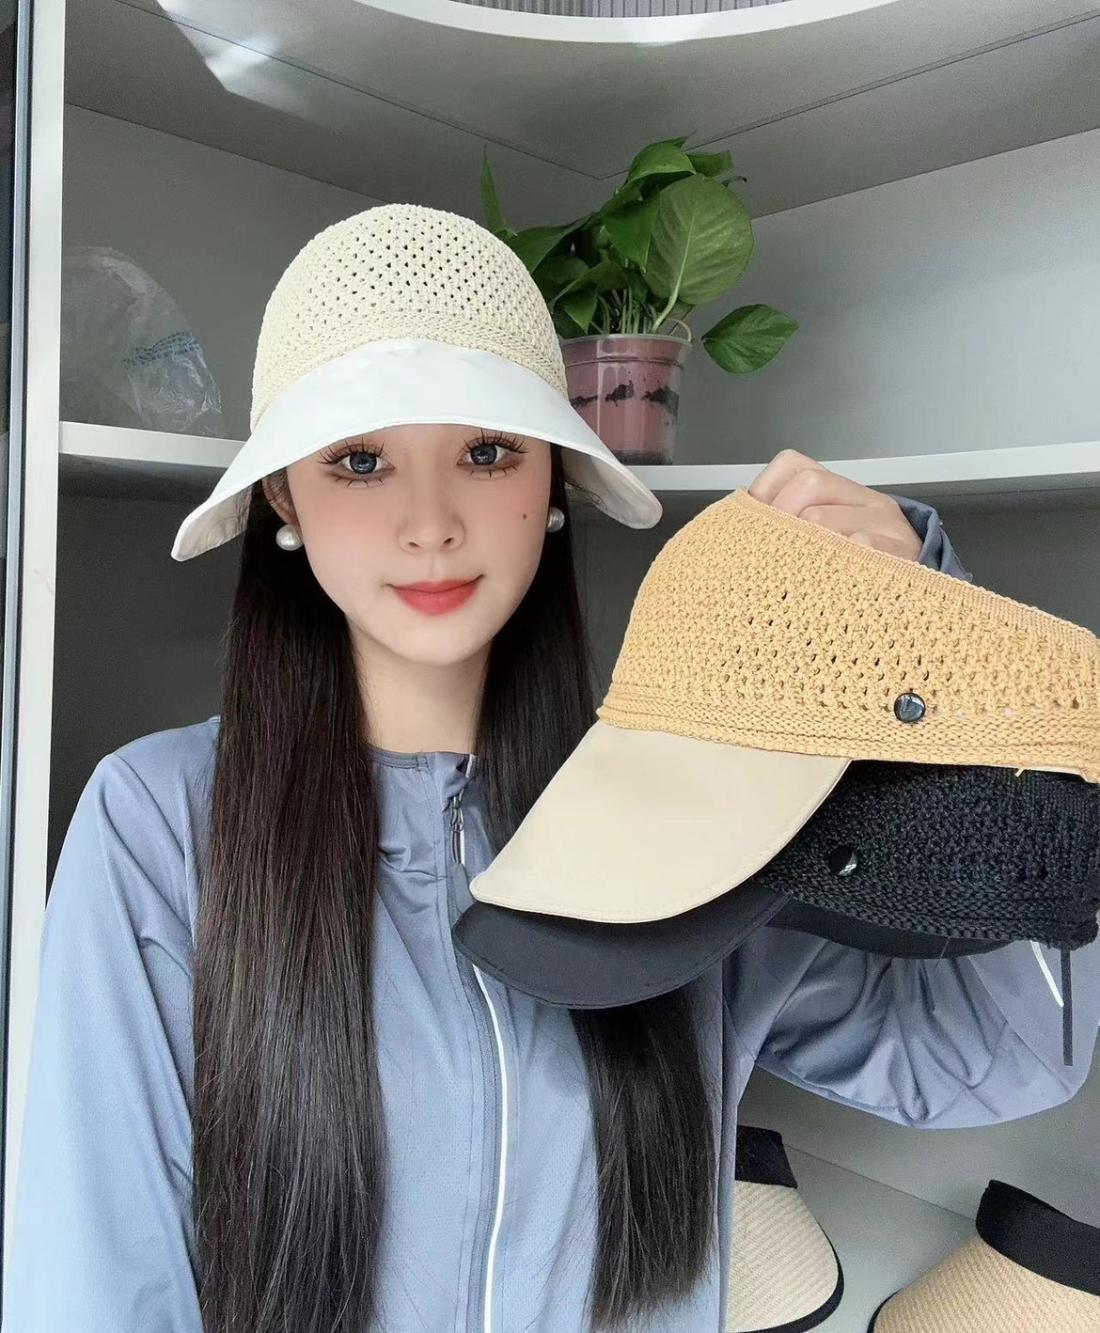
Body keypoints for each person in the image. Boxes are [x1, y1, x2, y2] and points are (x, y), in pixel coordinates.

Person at [4, 205, 1097, 1333]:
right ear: (284, 496)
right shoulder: (160, 823)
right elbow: (95, 1285)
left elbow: (1000, 1053)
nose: (431, 523)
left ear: (554, 482)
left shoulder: (695, 809)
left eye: (486, 452)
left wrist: (937, 640)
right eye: (360, 461)